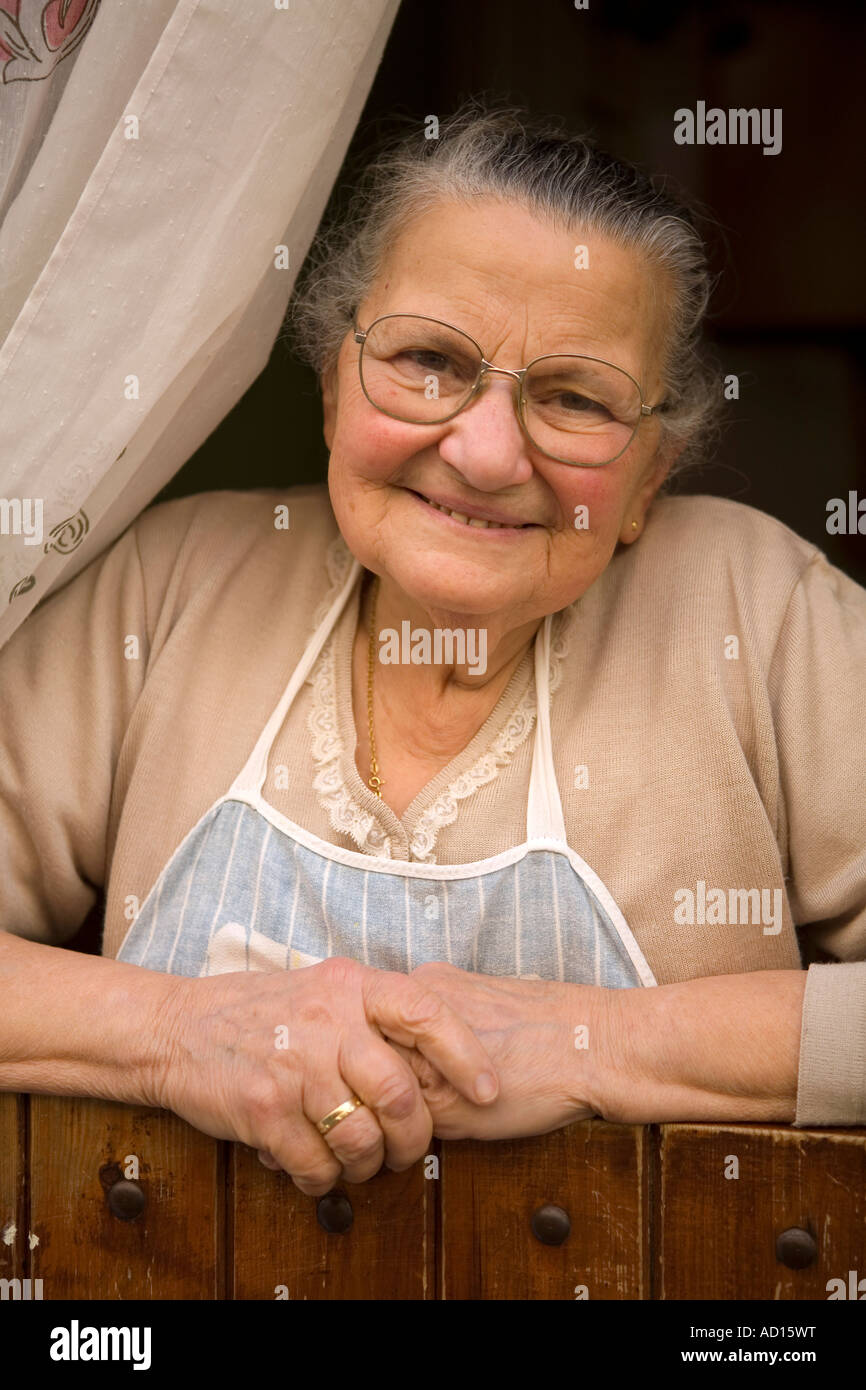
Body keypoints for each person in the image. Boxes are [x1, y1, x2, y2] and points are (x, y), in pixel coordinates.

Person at [1, 107, 864, 1200]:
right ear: (329, 384)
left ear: (650, 476)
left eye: (574, 398)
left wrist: (601, 1043)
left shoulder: (754, 611)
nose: (487, 451)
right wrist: (177, 1031)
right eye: (425, 360)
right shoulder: (172, 583)